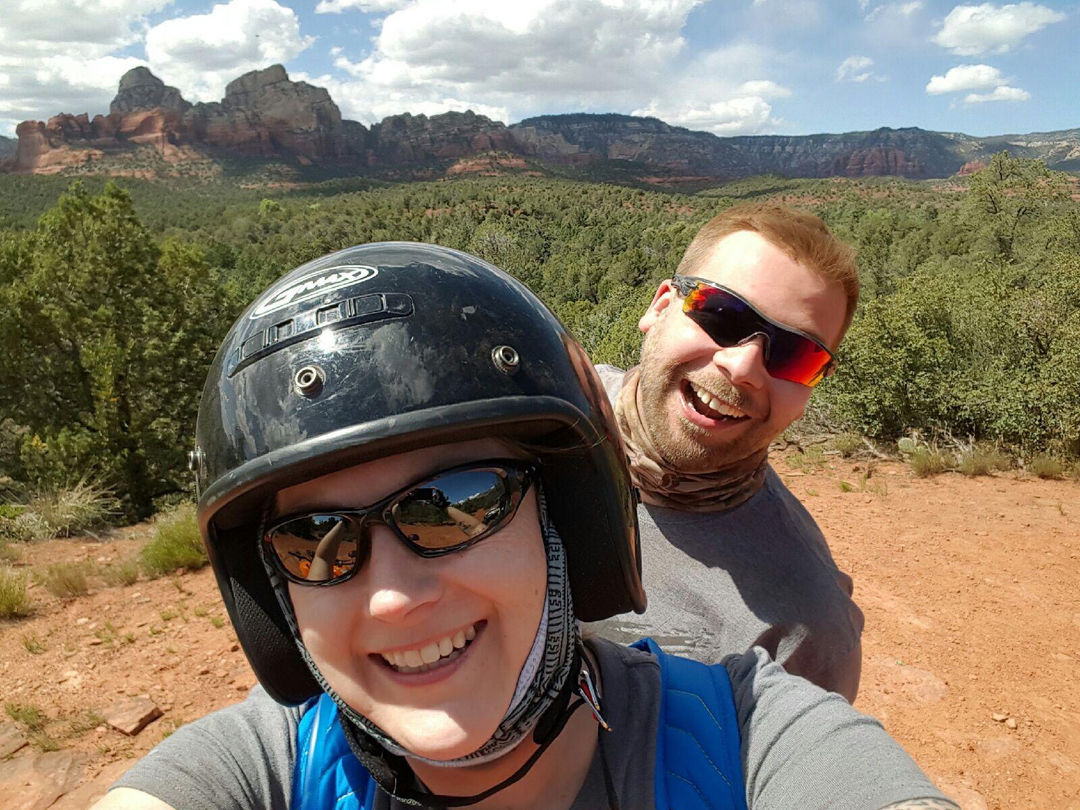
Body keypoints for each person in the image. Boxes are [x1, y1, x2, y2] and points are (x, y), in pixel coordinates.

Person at [92, 243, 956, 810]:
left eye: (455, 505)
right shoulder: (271, 767)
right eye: (316, 540)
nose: (390, 597)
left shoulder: (755, 713)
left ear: (571, 521)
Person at [592, 203, 865, 701]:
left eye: (796, 354)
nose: (743, 368)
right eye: (721, 314)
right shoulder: (518, 416)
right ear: (660, 307)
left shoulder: (807, 626)